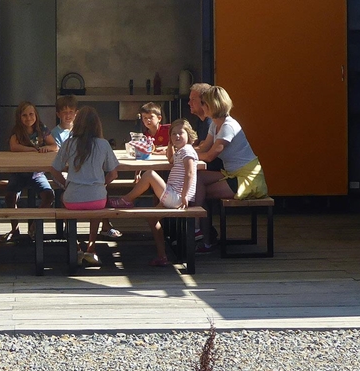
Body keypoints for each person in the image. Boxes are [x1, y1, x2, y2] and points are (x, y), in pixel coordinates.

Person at [107, 119, 198, 267]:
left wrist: (185, 196)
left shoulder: (187, 151)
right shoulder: (181, 151)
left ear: (189, 134)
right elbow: (170, 159)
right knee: (152, 218)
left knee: (149, 174)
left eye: (181, 133)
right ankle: (162, 256)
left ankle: (126, 199)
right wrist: (170, 144)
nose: (177, 136)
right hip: (174, 195)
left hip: (178, 196)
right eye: (173, 134)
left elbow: (189, 173)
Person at [194, 86, 268, 252]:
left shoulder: (228, 126)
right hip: (231, 173)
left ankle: (202, 234)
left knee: (199, 191)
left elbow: (210, 156)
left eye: (203, 103)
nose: (201, 106)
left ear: (212, 105)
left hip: (246, 178)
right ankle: (200, 232)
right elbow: (204, 147)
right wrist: (183, 150)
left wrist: (185, 155)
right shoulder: (215, 124)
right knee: (197, 180)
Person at [50, 107, 119, 267]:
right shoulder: (103, 144)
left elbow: (54, 169)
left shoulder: (69, 143)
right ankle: (91, 247)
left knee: (63, 200)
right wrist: (101, 184)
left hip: (72, 198)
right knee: (97, 208)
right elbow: (113, 174)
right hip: (97, 199)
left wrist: (65, 185)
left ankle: (76, 246)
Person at [4, 101, 58, 242]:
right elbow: (13, 146)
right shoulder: (17, 130)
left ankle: (35, 225)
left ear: (36, 115)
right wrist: (31, 149)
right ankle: (15, 228)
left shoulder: (42, 129)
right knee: (10, 197)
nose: (28, 118)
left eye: (31, 114)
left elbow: (55, 145)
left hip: (37, 173)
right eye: (24, 115)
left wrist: (46, 148)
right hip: (19, 172)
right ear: (19, 117)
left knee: (49, 195)